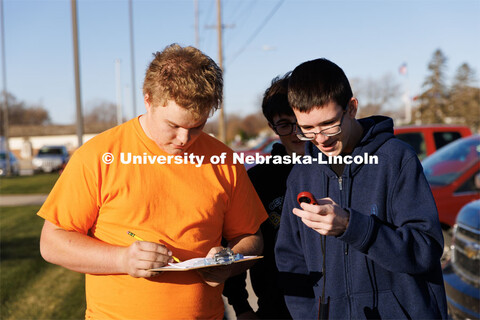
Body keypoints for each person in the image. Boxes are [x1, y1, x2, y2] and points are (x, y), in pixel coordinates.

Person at [38, 44, 268, 320]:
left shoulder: (224, 160)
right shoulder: (99, 155)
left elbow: (251, 237)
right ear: (148, 99)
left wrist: (228, 262)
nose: (184, 139)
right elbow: (52, 242)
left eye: (197, 127)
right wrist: (123, 259)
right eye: (173, 125)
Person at [274, 58, 448, 319]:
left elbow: (426, 249)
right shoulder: (301, 175)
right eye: (307, 129)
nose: (320, 139)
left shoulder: (396, 159)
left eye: (329, 124)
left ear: (352, 108)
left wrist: (350, 226)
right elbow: (291, 261)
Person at [223, 73, 304, 319]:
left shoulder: (337, 171)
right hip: (276, 306)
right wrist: (241, 306)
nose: (296, 132)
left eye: (301, 121)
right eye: (285, 124)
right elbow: (236, 240)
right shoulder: (258, 179)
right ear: (272, 126)